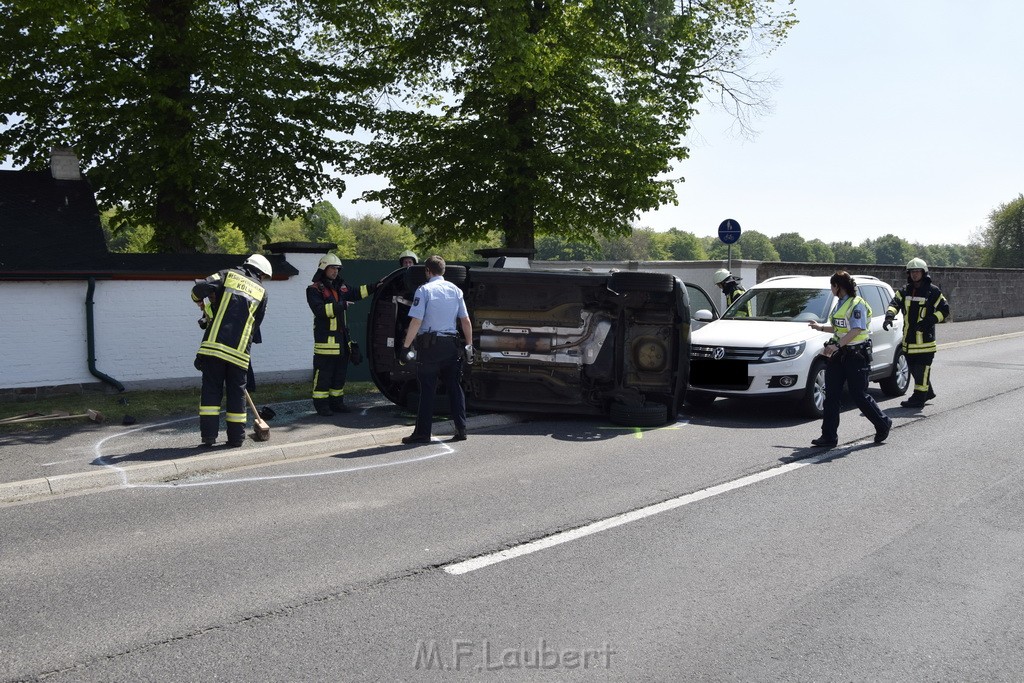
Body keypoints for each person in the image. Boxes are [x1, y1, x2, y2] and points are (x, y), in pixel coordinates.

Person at [191, 254, 271, 447]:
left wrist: (198, 300)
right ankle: (236, 439)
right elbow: (256, 324)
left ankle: (209, 437)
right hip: (240, 352)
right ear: (259, 272)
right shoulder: (262, 292)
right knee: (237, 395)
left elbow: (198, 289)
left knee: (211, 392)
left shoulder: (227, 275)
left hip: (215, 348)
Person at [808, 270, 891, 448]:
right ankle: (829, 437)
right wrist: (821, 328)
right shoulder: (840, 304)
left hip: (856, 355)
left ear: (838, 286)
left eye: (832, 286)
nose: (831, 289)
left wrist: (838, 346)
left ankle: (883, 423)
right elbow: (841, 328)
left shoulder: (857, 304)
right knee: (831, 396)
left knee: (858, 395)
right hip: (840, 356)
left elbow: (856, 330)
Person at [399, 255, 473, 444]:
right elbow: (465, 320)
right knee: (455, 388)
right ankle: (461, 429)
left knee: (428, 390)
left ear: (427, 271)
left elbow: (416, 320)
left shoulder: (424, 290)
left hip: (429, 347)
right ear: (444, 271)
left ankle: (422, 433)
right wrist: (469, 346)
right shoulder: (455, 290)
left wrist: (405, 346)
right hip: (451, 346)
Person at [306, 253, 377, 416]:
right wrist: (341, 305)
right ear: (323, 268)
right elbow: (320, 311)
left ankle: (337, 403)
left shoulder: (340, 286)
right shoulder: (314, 290)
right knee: (324, 376)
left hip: (342, 341)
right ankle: (322, 406)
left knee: (339, 376)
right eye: (332, 268)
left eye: (337, 269)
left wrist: (376, 286)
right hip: (326, 343)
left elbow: (357, 292)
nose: (335, 272)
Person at [883, 257, 950, 409]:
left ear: (923, 273)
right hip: (909, 340)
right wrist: (889, 317)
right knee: (915, 369)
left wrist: (930, 321)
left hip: (925, 342)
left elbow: (944, 310)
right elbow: (894, 304)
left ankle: (919, 398)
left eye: (917, 271)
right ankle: (928, 392)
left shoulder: (932, 291)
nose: (914, 274)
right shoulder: (905, 290)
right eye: (912, 272)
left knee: (922, 369)